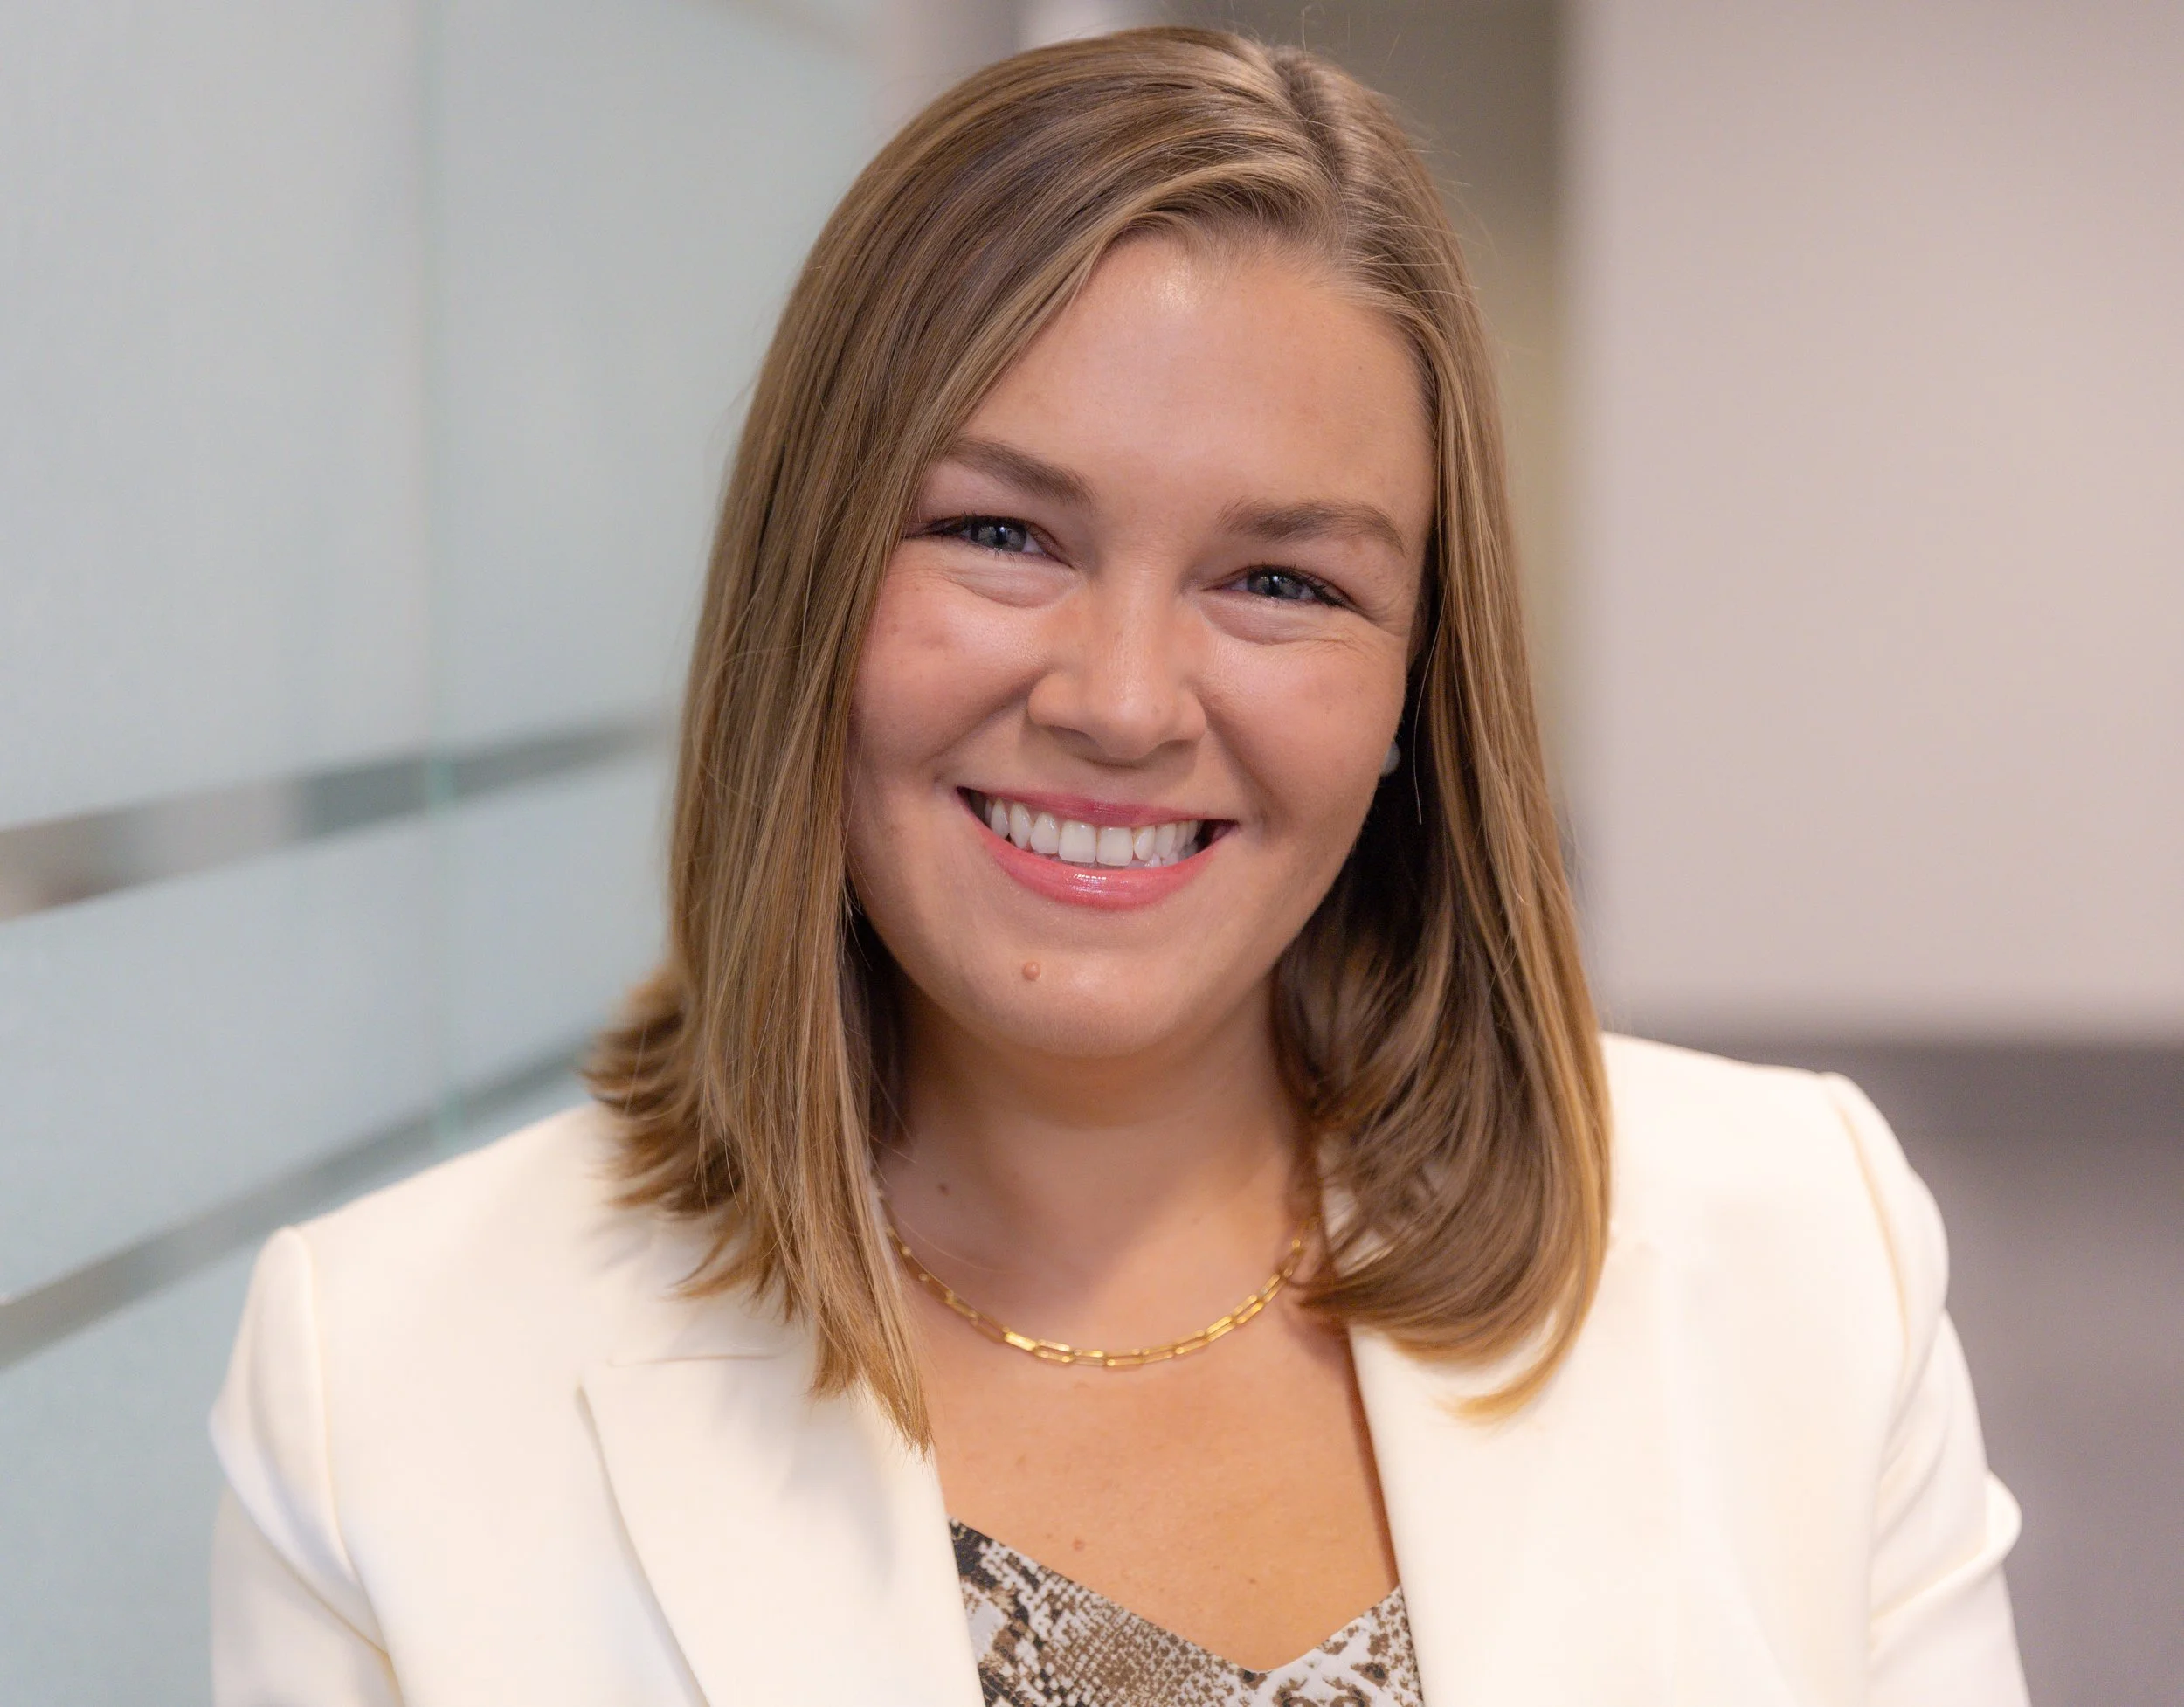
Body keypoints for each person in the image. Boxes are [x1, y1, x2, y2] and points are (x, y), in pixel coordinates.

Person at [208, 28, 2028, 1707]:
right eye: (1001, 533)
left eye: (1282, 581)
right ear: (808, 595)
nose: (1121, 700)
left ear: (1414, 684)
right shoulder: (386, 1382)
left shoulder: (1800, 1249)